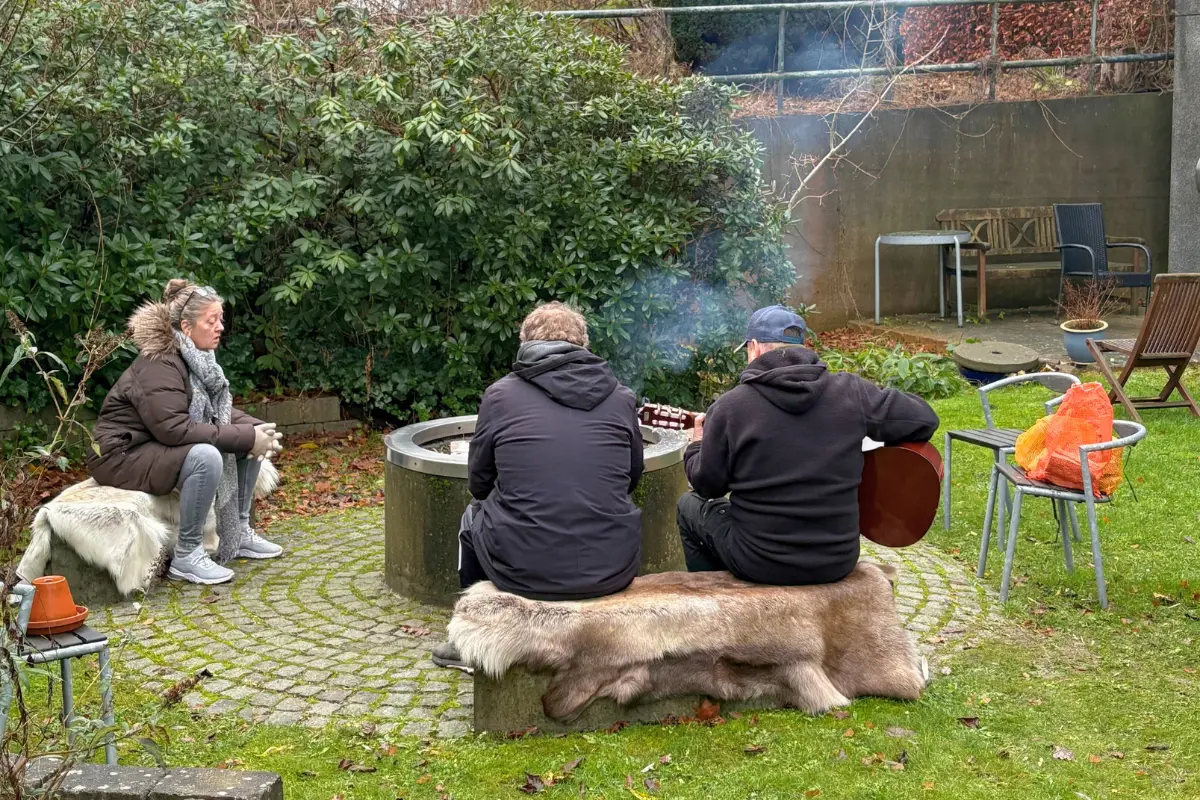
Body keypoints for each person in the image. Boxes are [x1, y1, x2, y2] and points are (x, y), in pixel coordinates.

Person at [432, 302, 644, 669]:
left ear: (526, 345)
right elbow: (632, 477)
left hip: (522, 572)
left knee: (471, 517)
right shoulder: (621, 397)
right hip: (611, 570)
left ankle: (470, 639)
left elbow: (478, 484)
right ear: (584, 345)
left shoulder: (500, 395)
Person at [676, 304, 940, 587]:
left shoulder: (731, 407)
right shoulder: (851, 393)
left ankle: (717, 597)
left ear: (753, 348)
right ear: (803, 347)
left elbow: (707, 486)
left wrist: (697, 444)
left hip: (759, 562)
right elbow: (924, 419)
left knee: (688, 506)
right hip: (836, 560)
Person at [87, 280, 285, 585]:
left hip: (151, 445)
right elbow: (174, 429)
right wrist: (247, 436)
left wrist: (256, 429)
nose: (220, 327)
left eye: (221, 319)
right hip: (120, 455)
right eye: (211, 321)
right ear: (186, 327)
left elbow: (212, 412)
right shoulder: (159, 363)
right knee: (206, 456)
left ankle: (239, 532)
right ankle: (188, 555)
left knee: (247, 435)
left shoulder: (195, 358)